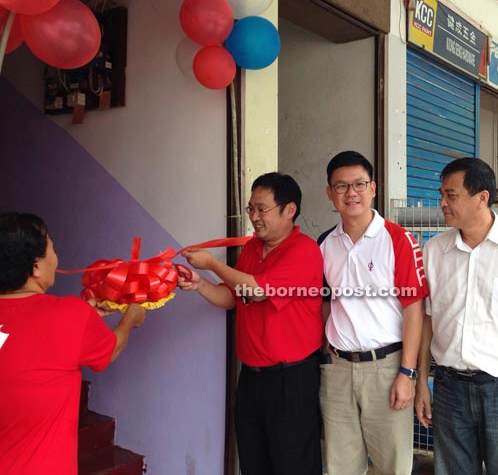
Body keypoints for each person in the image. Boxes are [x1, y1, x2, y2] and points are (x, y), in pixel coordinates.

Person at [177, 172, 324, 475]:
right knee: (254, 462)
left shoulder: (304, 251)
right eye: (251, 209)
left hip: (291, 380)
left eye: (262, 209)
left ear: (289, 210)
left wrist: (213, 265)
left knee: (293, 464)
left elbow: (258, 290)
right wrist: (199, 283)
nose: (254, 217)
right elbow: (232, 297)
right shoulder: (251, 250)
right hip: (252, 380)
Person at [414, 157, 498, 475]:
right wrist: (422, 381)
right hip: (448, 387)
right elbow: (428, 321)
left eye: (451, 195)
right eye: (441, 195)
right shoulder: (434, 251)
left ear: (482, 197)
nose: (442, 203)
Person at [0, 212, 146, 475]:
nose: (56, 259)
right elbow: (111, 349)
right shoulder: (69, 315)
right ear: (35, 267)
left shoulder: (71, 315)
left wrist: (85, 316)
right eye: (52, 250)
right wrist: (130, 320)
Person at [318, 150, 428, 475]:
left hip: (387, 368)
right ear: (329, 192)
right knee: (339, 467)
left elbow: (414, 309)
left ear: (373, 188)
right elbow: (325, 300)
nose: (351, 193)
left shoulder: (397, 240)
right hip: (337, 370)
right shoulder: (325, 243)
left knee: (392, 466)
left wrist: (407, 374)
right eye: (341, 186)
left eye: (359, 184)